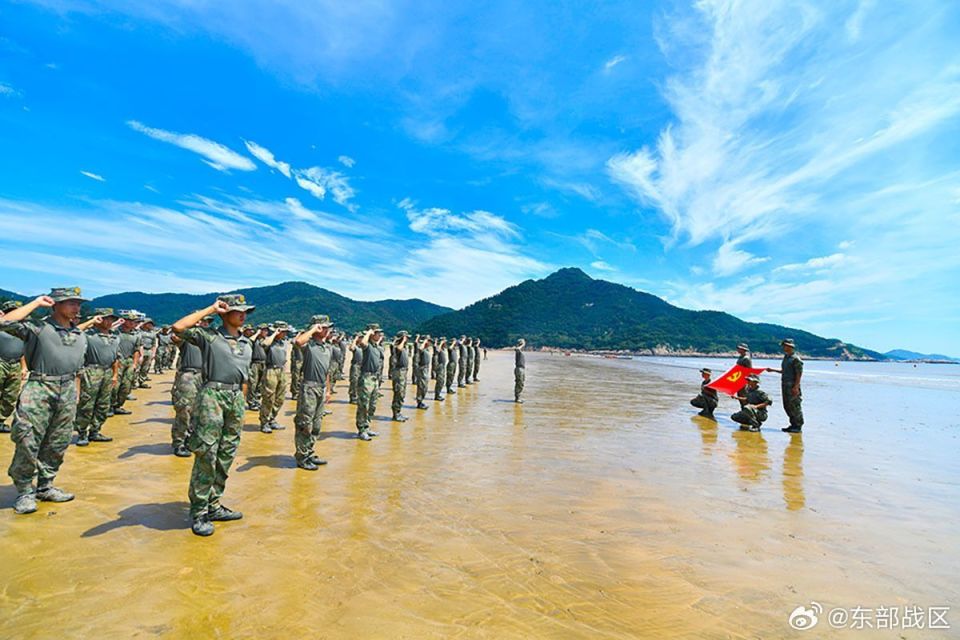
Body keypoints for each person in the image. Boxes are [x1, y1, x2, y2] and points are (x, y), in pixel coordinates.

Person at [1, 288, 90, 515]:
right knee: (28, 440)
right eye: (70, 303)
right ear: (56, 304)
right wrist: (35, 303)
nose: (76, 308)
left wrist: (76, 394)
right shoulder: (38, 327)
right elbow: (4, 322)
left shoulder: (79, 335)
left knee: (58, 442)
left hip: (68, 390)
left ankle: (45, 486)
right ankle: (23, 491)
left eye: (78, 304)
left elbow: (78, 369)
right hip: (40, 387)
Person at [172, 294, 255, 537]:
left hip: (235, 399)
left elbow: (245, 376)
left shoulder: (247, 343)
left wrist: (243, 402)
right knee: (207, 453)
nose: (243, 314)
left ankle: (214, 504)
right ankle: (198, 511)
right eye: (238, 310)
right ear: (224, 313)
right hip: (212, 396)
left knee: (227, 453)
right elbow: (178, 327)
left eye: (245, 311)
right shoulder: (209, 337)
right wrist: (210, 308)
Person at [293, 315, 333, 470]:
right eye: (324, 327)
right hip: (309, 388)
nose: (327, 329)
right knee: (305, 424)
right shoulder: (308, 345)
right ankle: (301, 456)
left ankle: (309, 452)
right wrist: (312, 329)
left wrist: (328, 390)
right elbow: (298, 342)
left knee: (316, 425)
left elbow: (327, 371)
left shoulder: (327, 347)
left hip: (322, 388)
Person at [76, 309, 121, 446]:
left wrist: (114, 375)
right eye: (105, 319)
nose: (108, 322)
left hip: (107, 371)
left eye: (111, 319)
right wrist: (91, 321)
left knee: (103, 404)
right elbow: (73, 331)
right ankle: (82, 433)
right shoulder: (88, 335)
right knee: (87, 404)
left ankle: (95, 431)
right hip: (92, 371)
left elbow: (116, 358)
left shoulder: (115, 337)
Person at [171, 315, 212, 457]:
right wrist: (192, 324)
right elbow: (175, 335)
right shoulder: (187, 339)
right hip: (188, 376)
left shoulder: (208, 340)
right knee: (185, 410)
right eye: (202, 321)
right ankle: (179, 442)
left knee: (201, 411)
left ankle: (192, 439)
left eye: (207, 322)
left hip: (205, 377)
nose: (205, 323)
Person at [0, 300, 28, 433]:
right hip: (1, 362)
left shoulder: (22, 330)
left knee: (10, 396)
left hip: (15, 364)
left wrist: (23, 367)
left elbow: (23, 351)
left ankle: (0, 420)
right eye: (11, 311)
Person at [766, 338, 804, 433]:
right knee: (787, 406)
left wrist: (796, 387)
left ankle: (798, 426)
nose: (783, 347)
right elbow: (785, 371)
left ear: (790, 346)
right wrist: (773, 370)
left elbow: (799, 374)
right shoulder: (786, 357)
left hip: (792, 386)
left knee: (795, 406)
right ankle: (793, 425)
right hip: (785, 385)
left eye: (785, 346)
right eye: (783, 346)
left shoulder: (796, 359)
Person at [355, 324, 384, 441]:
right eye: (377, 333)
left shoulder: (376, 347)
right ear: (372, 334)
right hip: (366, 378)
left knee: (372, 405)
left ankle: (367, 427)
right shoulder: (367, 346)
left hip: (374, 378)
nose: (380, 335)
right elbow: (362, 343)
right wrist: (368, 332)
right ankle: (361, 429)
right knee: (363, 405)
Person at [259, 322, 290, 434]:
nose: (285, 333)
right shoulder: (269, 341)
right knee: (268, 397)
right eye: (283, 331)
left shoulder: (283, 343)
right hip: (271, 370)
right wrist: (274, 333)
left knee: (280, 398)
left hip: (281, 370)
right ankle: (264, 422)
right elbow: (264, 344)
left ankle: (272, 418)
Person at [111, 311, 142, 416]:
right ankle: (110, 406)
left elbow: (136, 350)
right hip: (118, 361)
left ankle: (118, 406)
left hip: (129, 361)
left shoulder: (136, 335)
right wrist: (118, 322)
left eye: (134, 321)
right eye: (131, 321)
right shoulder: (115, 332)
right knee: (115, 386)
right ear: (124, 321)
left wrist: (134, 364)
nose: (133, 323)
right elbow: (106, 328)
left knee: (126, 386)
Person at [389, 331, 410, 422]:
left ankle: (398, 412)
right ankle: (396, 414)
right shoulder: (397, 347)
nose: (407, 339)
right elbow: (398, 348)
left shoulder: (404, 347)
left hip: (403, 372)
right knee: (399, 393)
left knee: (402, 393)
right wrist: (402, 340)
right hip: (399, 372)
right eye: (406, 337)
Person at [136, 318, 158, 388]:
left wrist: (153, 353)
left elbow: (154, 345)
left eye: (151, 324)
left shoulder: (153, 333)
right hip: (140, 350)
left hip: (149, 351)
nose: (150, 325)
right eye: (148, 323)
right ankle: (135, 382)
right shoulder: (139, 331)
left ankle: (141, 381)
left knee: (145, 368)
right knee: (137, 367)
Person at [415, 335, 431, 410]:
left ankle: (421, 400)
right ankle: (419, 402)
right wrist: (424, 341)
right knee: (421, 386)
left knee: (425, 387)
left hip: (426, 369)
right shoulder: (422, 348)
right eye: (428, 341)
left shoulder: (427, 349)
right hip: (422, 369)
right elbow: (420, 348)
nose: (429, 343)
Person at [348, 333, 362, 404]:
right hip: (355, 366)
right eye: (360, 337)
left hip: (362, 366)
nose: (361, 339)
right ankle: (353, 397)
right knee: (354, 381)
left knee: (360, 383)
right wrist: (355, 339)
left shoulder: (364, 347)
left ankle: (358, 397)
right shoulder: (355, 347)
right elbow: (351, 348)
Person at [514, 338, 526, 403]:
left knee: (521, 383)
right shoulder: (518, 350)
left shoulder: (520, 351)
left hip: (521, 369)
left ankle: (518, 397)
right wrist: (521, 345)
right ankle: (517, 398)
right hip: (519, 369)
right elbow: (516, 349)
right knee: (519, 383)